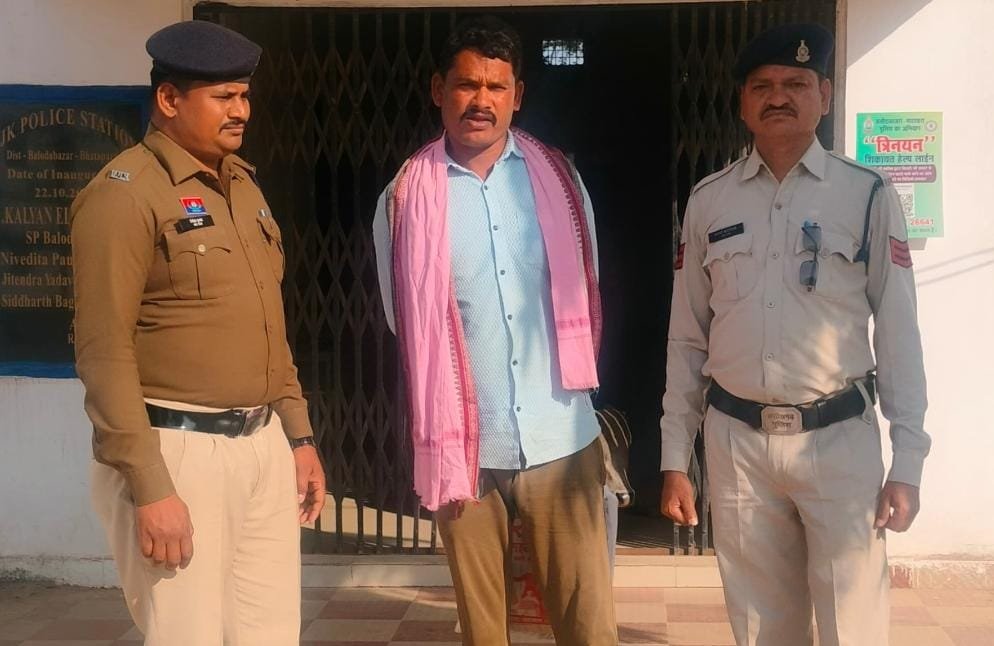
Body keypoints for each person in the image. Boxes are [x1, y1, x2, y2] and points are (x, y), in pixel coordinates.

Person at [658, 23, 929, 646]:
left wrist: (909, 460)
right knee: (761, 628)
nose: (778, 96)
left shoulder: (867, 195)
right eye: (762, 86)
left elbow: (898, 331)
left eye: (796, 84)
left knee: (852, 626)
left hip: (839, 441)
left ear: (824, 96)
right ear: (742, 102)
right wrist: (675, 457)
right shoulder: (708, 201)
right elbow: (687, 337)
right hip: (738, 446)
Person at [71, 20, 325, 646]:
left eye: (244, 96)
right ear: (168, 99)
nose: (241, 111)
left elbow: (268, 324)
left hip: (261, 443)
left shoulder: (242, 185)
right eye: (223, 97)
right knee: (187, 634)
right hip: (178, 451)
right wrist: (151, 486)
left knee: (271, 635)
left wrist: (298, 436)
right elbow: (103, 352)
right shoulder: (125, 195)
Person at [371, 16, 617, 646]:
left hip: (559, 435)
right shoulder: (405, 197)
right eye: (466, 84)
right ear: (438, 90)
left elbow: (587, 288)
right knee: (482, 631)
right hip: (464, 451)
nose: (480, 100)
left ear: (517, 95)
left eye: (496, 86)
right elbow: (404, 321)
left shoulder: (559, 181)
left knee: (587, 624)